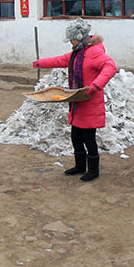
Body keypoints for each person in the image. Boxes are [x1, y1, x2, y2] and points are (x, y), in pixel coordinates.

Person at [33, 19, 117, 181]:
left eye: (71, 39)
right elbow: (59, 60)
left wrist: (95, 85)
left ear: (79, 38)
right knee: (76, 136)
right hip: (77, 100)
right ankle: (80, 166)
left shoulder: (94, 52)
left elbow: (110, 66)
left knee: (88, 137)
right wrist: (40, 63)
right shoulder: (77, 53)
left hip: (90, 100)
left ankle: (93, 170)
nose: (70, 42)